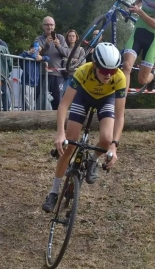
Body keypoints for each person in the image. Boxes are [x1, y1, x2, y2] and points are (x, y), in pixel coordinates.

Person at [42, 42, 126, 213]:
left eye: (113, 71)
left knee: (106, 139)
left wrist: (114, 146)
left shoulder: (120, 77)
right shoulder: (83, 71)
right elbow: (64, 105)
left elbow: (119, 116)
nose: (109, 75)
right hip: (83, 97)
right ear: (95, 65)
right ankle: (53, 192)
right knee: (69, 145)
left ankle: (92, 160)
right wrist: (60, 133)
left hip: (106, 100)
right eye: (104, 70)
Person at [35, 16, 70, 110]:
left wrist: (58, 45)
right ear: (43, 26)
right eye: (47, 24)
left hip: (58, 75)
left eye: (51, 25)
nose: (49, 27)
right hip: (43, 74)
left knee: (58, 102)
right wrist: (46, 44)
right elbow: (35, 54)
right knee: (41, 101)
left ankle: (58, 123)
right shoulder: (39, 39)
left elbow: (67, 53)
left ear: (54, 26)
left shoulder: (60, 38)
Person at [19, 43, 51, 110]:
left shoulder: (38, 58)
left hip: (34, 81)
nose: (36, 52)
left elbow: (48, 58)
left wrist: (41, 57)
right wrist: (29, 53)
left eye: (39, 51)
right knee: (26, 97)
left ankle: (32, 111)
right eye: (35, 49)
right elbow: (20, 56)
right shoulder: (26, 55)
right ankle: (31, 111)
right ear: (30, 48)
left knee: (31, 98)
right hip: (26, 80)